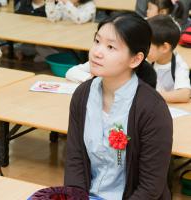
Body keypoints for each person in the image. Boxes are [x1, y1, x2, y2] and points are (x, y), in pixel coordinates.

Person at [64, 12, 172, 199]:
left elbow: (150, 187)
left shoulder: (152, 109)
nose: (97, 52)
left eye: (111, 47)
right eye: (97, 41)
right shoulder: (82, 95)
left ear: (135, 59)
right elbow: (74, 161)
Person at [147, 15, 191, 103]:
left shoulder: (179, 66)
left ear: (164, 48)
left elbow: (184, 95)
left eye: (148, 45)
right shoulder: (147, 59)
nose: (142, 48)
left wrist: (151, 95)